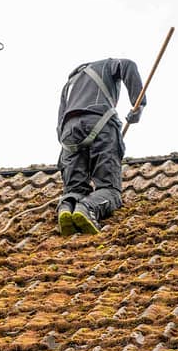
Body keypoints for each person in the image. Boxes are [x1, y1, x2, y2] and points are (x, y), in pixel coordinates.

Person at [56, 58, 146, 235]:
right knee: (110, 189)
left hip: (69, 136)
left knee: (74, 189)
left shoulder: (69, 86)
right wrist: (139, 105)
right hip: (100, 123)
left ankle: (66, 207)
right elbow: (128, 65)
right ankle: (87, 208)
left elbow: (59, 127)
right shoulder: (106, 65)